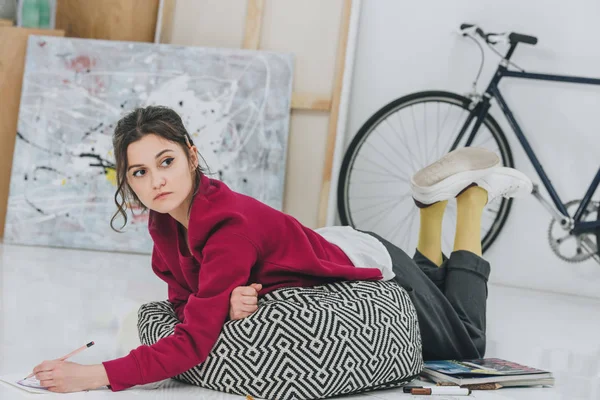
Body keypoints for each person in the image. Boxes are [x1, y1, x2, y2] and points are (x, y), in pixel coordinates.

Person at [30, 106, 532, 393]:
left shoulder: (226, 227)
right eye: (140, 172)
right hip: (327, 245)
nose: (156, 180)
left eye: (166, 161)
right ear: (128, 181)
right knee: (440, 311)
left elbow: (193, 341)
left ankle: (471, 202)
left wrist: (94, 376)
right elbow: (187, 305)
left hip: (369, 263)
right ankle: (428, 210)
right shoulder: (166, 227)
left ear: (191, 156)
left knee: (465, 345)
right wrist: (222, 301)